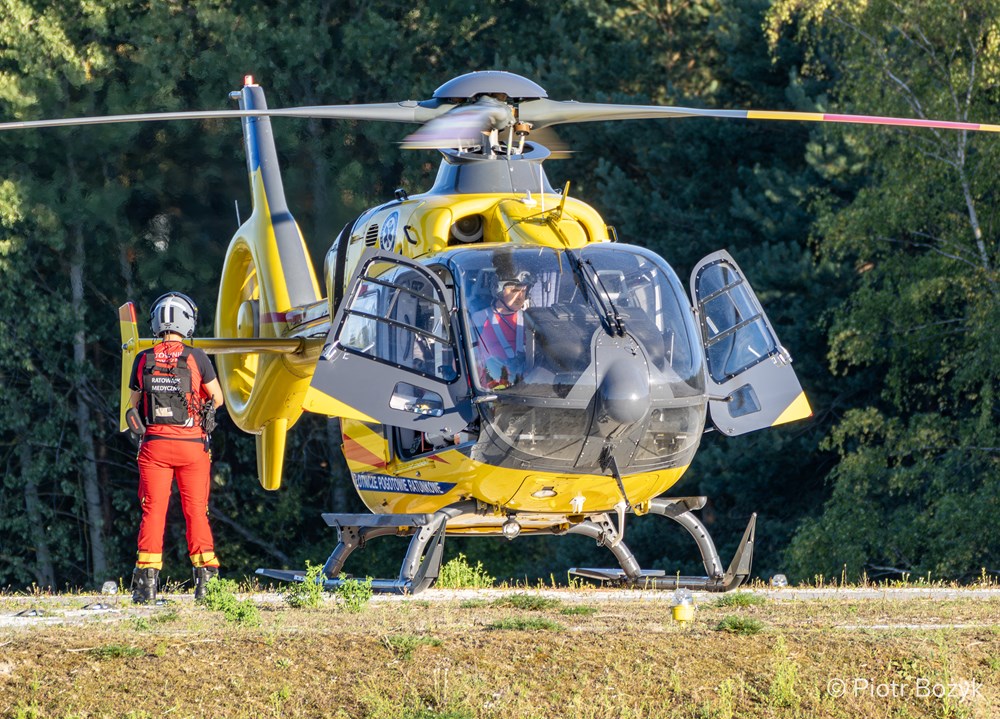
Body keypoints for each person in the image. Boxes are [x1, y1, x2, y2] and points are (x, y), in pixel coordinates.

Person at [128, 292, 225, 603]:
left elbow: (133, 407)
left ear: (157, 323)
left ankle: (146, 586)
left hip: (154, 447)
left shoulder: (143, 358)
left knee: (152, 512)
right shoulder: (197, 358)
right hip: (192, 447)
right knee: (196, 511)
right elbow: (217, 398)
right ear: (187, 322)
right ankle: (206, 582)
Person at [476, 270, 532, 390]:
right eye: (514, 290)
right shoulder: (478, 319)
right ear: (498, 289)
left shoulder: (531, 320)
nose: (520, 296)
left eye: (524, 290)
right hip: (492, 385)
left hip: (528, 384)